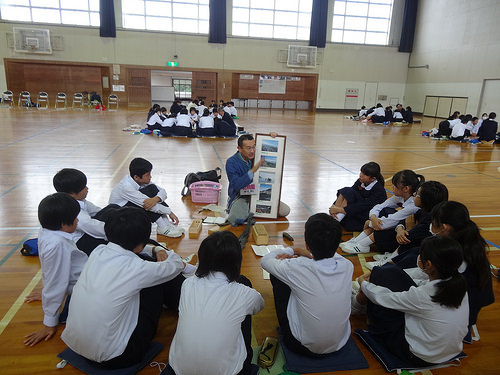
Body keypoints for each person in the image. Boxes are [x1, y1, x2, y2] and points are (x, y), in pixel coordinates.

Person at [61, 207, 187, 368]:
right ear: (143, 239)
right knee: (159, 279)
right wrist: (162, 250)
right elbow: (175, 265)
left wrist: (153, 248)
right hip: (118, 357)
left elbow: (136, 250)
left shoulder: (98, 251)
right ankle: (188, 308)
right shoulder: (137, 268)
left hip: (77, 347)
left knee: (148, 271)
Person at [355, 236, 469, 366]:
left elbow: (384, 298)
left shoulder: (424, 295)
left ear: (429, 265)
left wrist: (363, 283)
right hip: (450, 352)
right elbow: (420, 284)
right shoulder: (460, 286)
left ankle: (360, 308)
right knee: (390, 273)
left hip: (417, 356)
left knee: (383, 288)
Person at [167, 231, 264, 375]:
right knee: (244, 306)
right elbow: (259, 306)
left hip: (179, 370)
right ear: (237, 261)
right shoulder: (244, 292)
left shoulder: (187, 284)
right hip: (229, 372)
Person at [390, 201, 494, 330]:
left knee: (396, 305)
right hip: (459, 301)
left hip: (457, 312)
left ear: (444, 227)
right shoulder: (467, 241)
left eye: (433, 224)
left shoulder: (455, 253)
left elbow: (437, 286)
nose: (431, 227)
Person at [261, 214, 353, 356]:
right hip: (340, 343)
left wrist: (292, 250)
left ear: (307, 244)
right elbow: (330, 255)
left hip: (301, 346)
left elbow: (266, 261)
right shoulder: (348, 266)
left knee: (277, 275)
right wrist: (305, 252)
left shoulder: (298, 267)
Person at [24, 193, 87, 347]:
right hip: (84, 285)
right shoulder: (57, 245)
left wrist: (47, 292)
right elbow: (56, 282)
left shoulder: (46, 230)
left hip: (80, 278)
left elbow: (50, 271)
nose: (77, 220)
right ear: (62, 224)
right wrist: (49, 322)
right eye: (74, 218)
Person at [365, 181, 449, 270]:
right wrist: (400, 228)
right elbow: (405, 220)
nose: (414, 194)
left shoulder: (430, 218)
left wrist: (406, 230)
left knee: (406, 242)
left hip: (421, 250)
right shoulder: (422, 210)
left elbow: (409, 236)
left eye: (417, 194)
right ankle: (391, 257)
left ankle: (388, 263)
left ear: (426, 200)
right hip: (411, 239)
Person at [340, 170, 424, 253]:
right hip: (397, 227)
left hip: (406, 239)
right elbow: (379, 206)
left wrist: (369, 223)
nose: (392, 188)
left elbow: (390, 222)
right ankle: (357, 241)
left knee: (385, 226)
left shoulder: (413, 205)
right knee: (384, 211)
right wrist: (373, 217)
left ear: (406, 188)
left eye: (395, 186)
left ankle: (363, 245)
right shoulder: (400, 197)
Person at [109, 157, 184, 237]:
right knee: (147, 204)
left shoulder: (140, 180)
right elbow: (148, 205)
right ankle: (162, 227)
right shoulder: (125, 187)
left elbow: (162, 191)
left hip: (130, 210)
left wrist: (156, 199)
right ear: (136, 177)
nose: (150, 177)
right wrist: (169, 212)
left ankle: (167, 224)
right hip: (120, 218)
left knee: (151, 189)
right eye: (147, 175)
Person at [225, 134, 290, 226]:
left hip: (258, 193)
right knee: (235, 219)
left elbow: (272, 147)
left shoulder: (257, 155)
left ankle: (251, 209)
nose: (252, 151)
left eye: (254, 147)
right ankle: (237, 206)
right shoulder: (231, 162)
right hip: (241, 196)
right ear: (239, 148)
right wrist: (253, 170)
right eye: (248, 148)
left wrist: (272, 137)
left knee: (285, 211)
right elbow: (237, 185)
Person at [53, 168, 119, 255]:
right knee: (118, 238)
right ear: (72, 193)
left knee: (112, 208)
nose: (87, 188)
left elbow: (97, 211)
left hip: (86, 232)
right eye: (83, 187)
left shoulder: (79, 200)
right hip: (81, 244)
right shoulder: (71, 209)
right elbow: (90, 226)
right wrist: (119, 230)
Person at [329, 162, 386, 231]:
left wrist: (342, 210)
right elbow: (348, 195)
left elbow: (364, 206)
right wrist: (335, 206)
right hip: (357, 209)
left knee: (349, 225)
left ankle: (334, 218)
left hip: (367, 213)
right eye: (361, 172)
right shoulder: (360, 181)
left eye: (364, 174)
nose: (361, 175)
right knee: (347, 191)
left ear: (373, 179)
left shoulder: (379, 190)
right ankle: (334, 216)